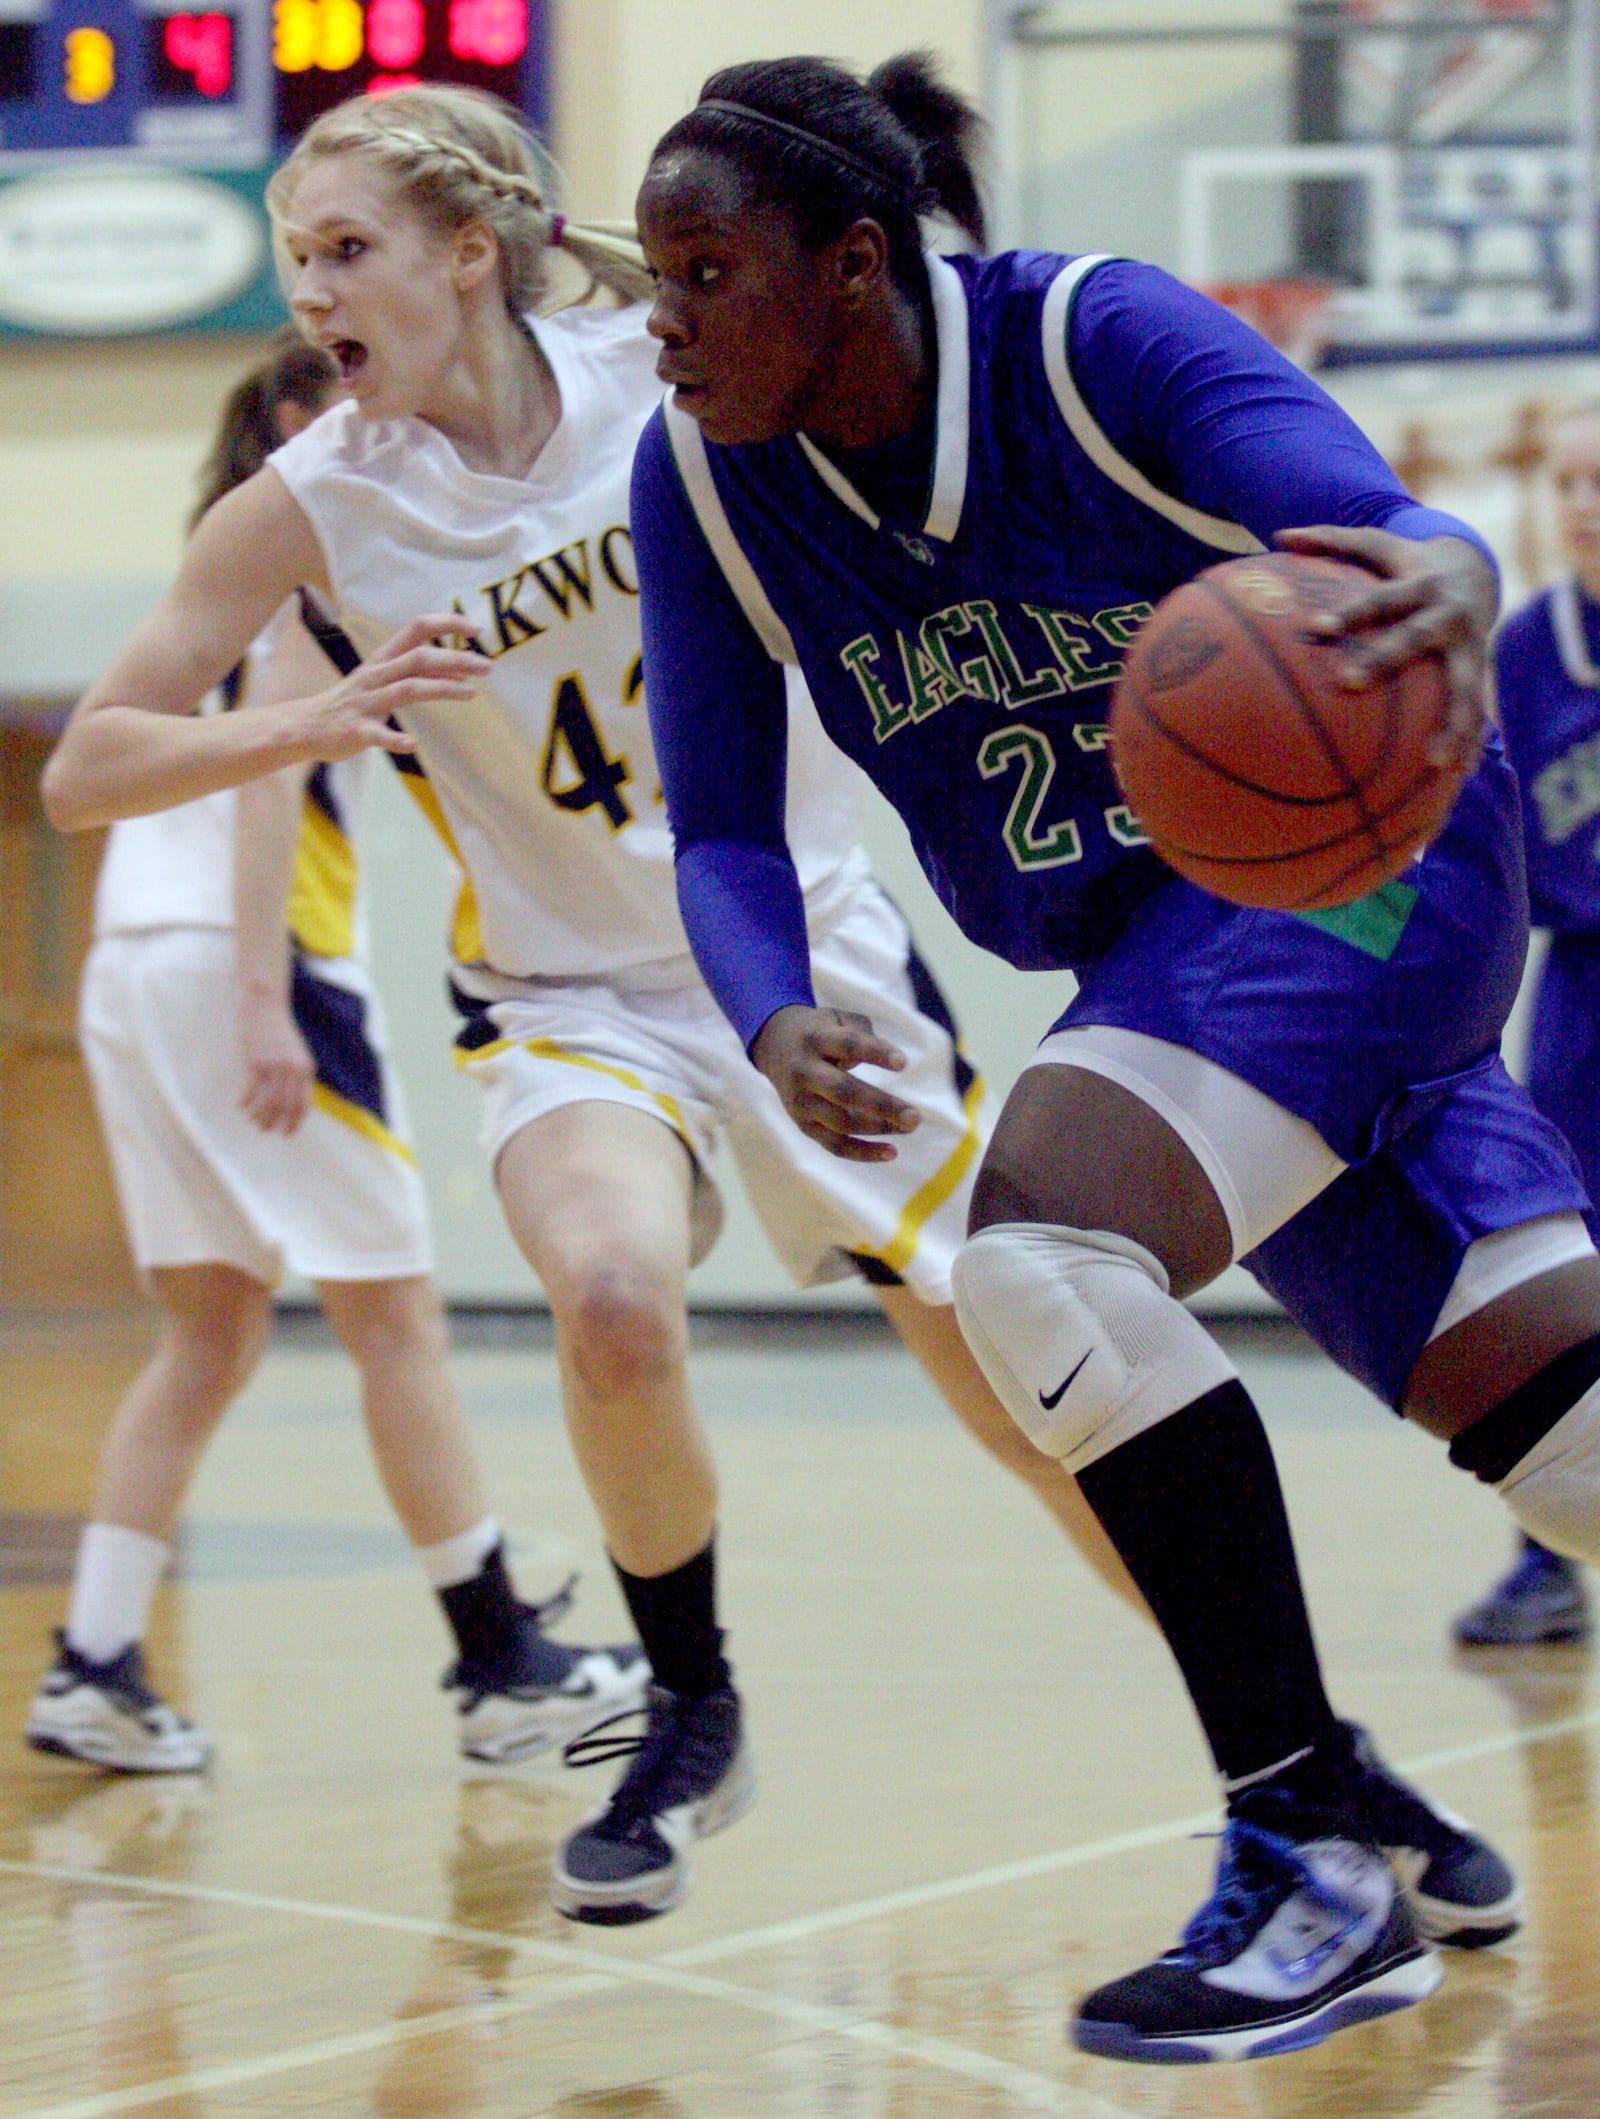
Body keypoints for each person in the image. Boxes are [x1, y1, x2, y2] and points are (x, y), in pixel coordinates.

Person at [40, 86, 1149, 1928]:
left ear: (470, 250)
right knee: (615, 1301)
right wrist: (299, 717)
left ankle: (1282, 1748)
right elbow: (86, 765)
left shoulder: (659, 379)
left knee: (1034, 1399)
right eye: (293, 257)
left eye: (343, 249)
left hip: (799, 953)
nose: (308, 290)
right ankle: (691, 1705)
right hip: (565, 995)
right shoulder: (315, 498)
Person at [627, 52, 1600, 2061]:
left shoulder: (1086, 341)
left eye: (708, 267)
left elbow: (1380, 529)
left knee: (1040, 1253)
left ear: (854, 264)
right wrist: (772, 1004)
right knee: (1561, 1445)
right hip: (1163, 959)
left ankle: (1301, 1854)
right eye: (652, 271)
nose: (665, 314)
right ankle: (1329, 1831)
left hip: (1376, 862)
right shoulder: (702, 474)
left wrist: (1453, 564)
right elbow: (719, 826)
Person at [29, 335, 645, 1776]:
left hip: (134, 963)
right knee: (396, 1320)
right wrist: (266, 993)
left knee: (208, 1334)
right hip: (254, 967)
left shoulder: (228, 566)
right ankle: (499, 1660)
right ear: (297, 420)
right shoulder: (308, 561)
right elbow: (271, 795)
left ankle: (96, 1658)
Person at [1452, 403, 1600, 1651]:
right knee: (1558, 1270)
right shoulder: (1520, 653)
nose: (1585, 505)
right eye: (1570, 481)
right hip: (1579, 994)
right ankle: (1541, 1561)